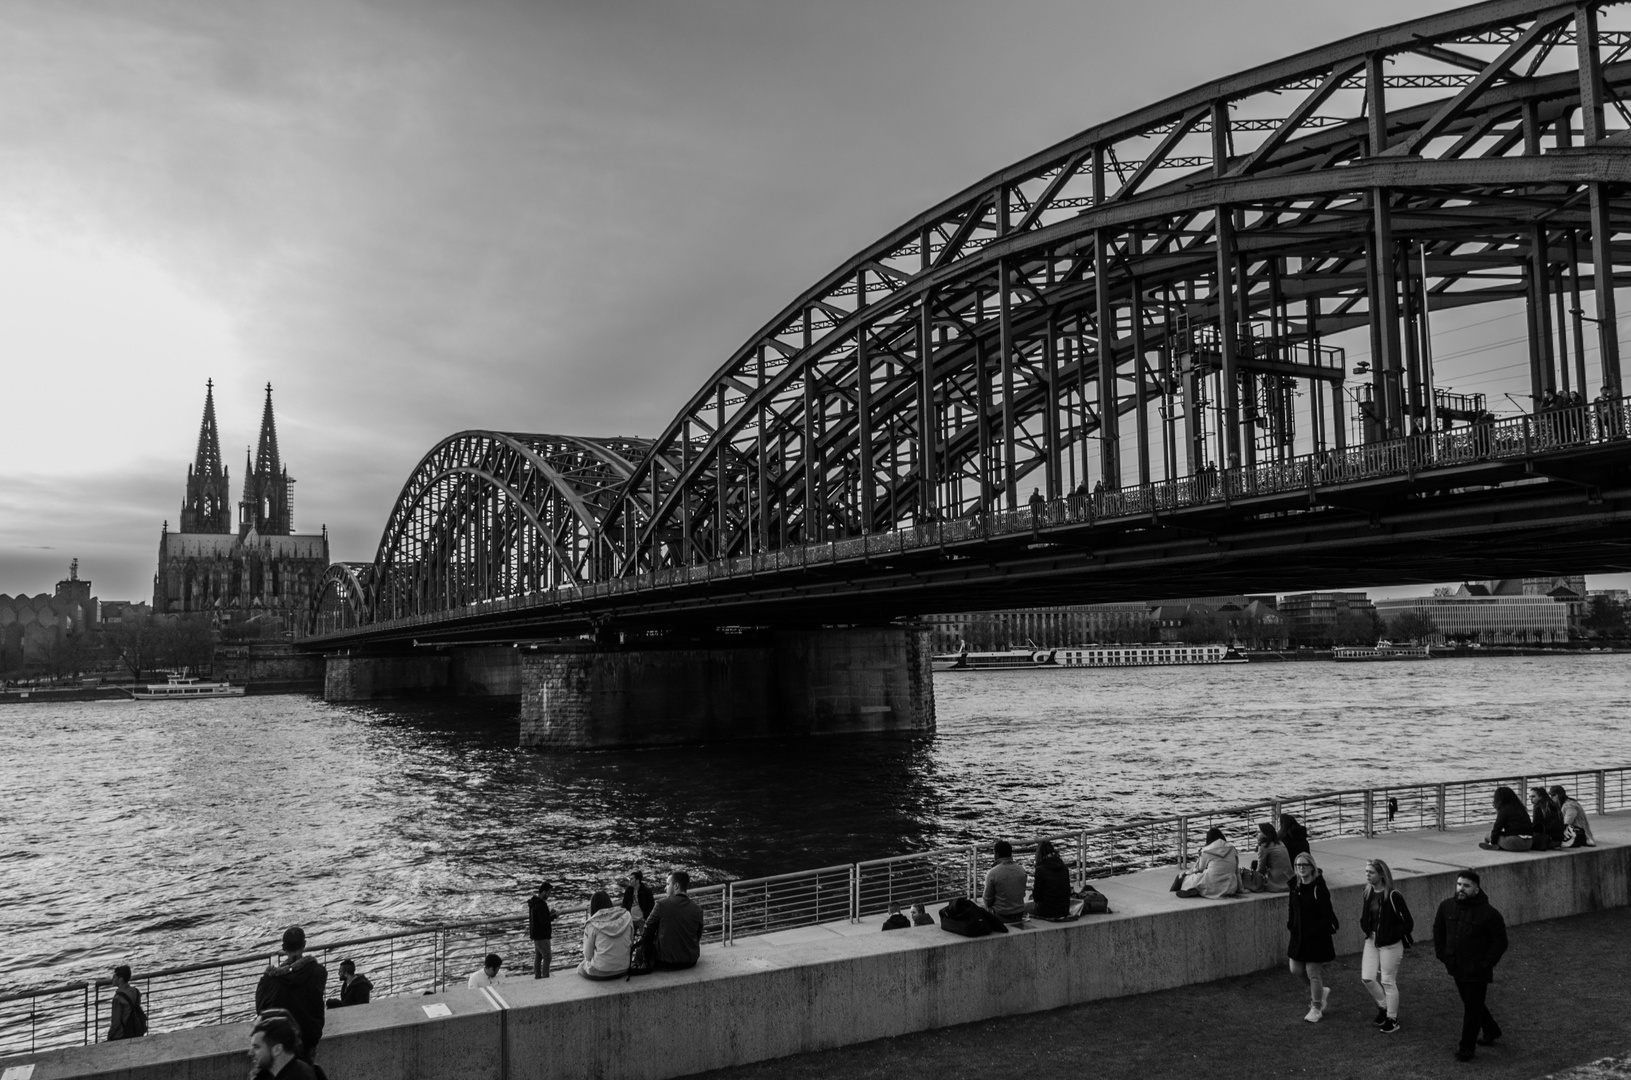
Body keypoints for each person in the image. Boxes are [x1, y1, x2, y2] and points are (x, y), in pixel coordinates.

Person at [1433, 869, 1509, 1062]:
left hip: (1477, 970)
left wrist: (1486, 963)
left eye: (1466, 886)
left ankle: (1466, 1048)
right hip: (1456, 966)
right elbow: (1438, 929)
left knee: (1472, 1008)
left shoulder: (1490, 914)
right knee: (1471, 1003)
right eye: (1459, 884)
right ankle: (1492, 1030)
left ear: (1476, 889)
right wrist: (1442, 953)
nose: (1461, 889)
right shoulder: (1446, 906)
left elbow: (1500, 942)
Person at [254, 927, 327, 1064]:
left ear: (283, 947)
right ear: (304, 945)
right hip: (309, 1040)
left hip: (281, 1044)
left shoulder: (269, 981)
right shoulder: (318, 972)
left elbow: (261, 1011)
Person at [1358, 858, 1414, 1034]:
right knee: (1367, 977)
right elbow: (1366, 917)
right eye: (1366, 871)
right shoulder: (1367, 892)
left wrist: (1390, 935)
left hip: (1390, 945)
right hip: (1372, 941)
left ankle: (1392, 1018)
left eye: (1371, 872)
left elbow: (1408, 923)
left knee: (1388, 981)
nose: (1367, 875)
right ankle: (1383, 1007)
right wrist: (1366, 928)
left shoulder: (1393, 895)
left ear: (1381, 874)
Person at [1287, 852, 1337, 1023]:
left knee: (1312, 972)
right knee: (1295, 969)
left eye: (1304, 865)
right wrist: (1291, 925)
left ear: (1312, 867)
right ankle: (1320, 991)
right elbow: (1291, 907)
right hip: (1299, 935)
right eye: (1298, 865)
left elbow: (1327, 913)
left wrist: (1316, 931)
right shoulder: (1295, 885)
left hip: (1316, 937)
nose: (1301, 868)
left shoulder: (1318, 888)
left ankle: (1316, 1007)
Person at [639, 870, 705, 971]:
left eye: (668, 884)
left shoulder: (662, 905)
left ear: (676, 886)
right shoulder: (698, 910)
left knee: (639, 951)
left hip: (665, 962)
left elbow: (647, 930)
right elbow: (697, 936)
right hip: (691, 961)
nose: (665, 888)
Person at [579, 890, 634, 978]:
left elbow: (588, 955)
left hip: (601, 970)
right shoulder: (627, 916)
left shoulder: (592, 924)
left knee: (581, 967)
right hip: (624, 967)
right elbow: (631, 942)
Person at [247, 1013, 319, 1080]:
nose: (250, 1053)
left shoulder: (297, 1076)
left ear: (277, 1050)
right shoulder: (298, 1070)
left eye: (257, 1047)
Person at [1178, 827, 1242, 899]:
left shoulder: (1206, 850)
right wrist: (1241, 888)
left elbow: (1199, 868)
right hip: (1230, 887)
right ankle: (1196, 889)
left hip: (1212, 887)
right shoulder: (1232, 849)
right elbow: (1236, 870)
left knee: (1187, 878)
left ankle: (1194, 889)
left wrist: (1200, 857)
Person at [982, 840, 1031, 923]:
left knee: (981, 909)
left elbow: (987, 900)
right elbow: (1022, 894)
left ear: (996, 854)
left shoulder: (993, 873)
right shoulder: (1021, 870)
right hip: (1019, 914)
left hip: (1001, 916)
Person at [1478, 785, 1533, 851]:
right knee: (1501, 835)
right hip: (1529, 843)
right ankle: (1500, 846)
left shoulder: (1504, 810)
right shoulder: (1520, 808)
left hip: (1515, 842)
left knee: (1488, 835)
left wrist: (1493, 841)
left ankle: (1492, 845)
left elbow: (1497, 827)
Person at [1028, 840, 1073, 919]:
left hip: (1047, 911)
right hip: (1064, 910)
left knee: (1024, 908)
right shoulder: (1064, 867)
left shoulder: (1040, 869)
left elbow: (1036, 897)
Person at [1246, 821, 1293, 893]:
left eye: (1259, 832)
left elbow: (1261, 869)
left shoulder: (1264, 846)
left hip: (1276, 883)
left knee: (1253, 865)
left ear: (1265, 834)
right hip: (1288, 880)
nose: (1256, 834)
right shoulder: (1280, 843)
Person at [107, 965, 144, 1041]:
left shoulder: (118, 998)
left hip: (122, 1034)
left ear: (120, 980)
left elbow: (116, 1023)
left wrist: (109, 1036)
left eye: (114, 977)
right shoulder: (135, 991)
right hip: (135, 1029)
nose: (112, 979)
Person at [528, 881, 554, 978]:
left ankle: (537, 976)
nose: (549, 895)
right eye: (549, 892)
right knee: (547, 957)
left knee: (538, 956)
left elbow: (540, 918)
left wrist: (549, 913)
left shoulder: (534, 903)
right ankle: (545, 977)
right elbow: (544, 920)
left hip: (536, 935)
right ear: (543, 892)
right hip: (542, 935)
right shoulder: (541, 904)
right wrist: (554, 916)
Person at [1529, 786, 1564, 851]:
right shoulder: (1552, 804)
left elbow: (1537, 825)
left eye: (1533, 797)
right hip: (1559, 839)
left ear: (1540, 797)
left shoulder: (1538, 807)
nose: (1531, 799)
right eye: (1530, 797)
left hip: (1548, 840)